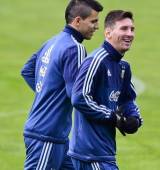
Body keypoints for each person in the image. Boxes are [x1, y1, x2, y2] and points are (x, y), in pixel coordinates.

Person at [20, 0, 103, 169]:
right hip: (47, 136)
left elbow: (27, 70)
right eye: (93, 21)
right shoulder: (75, 48)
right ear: (78, 21)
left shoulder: (52, 41)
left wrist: (47, 92)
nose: (97, 27)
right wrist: (107, 115)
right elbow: (77, 95)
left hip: (54, 136)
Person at [68, 10, 143, 170]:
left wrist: (134, 118)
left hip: (103, 152)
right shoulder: (96, 61)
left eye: (132, 29)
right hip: (90, 154)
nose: (129, 34)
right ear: (108, 33)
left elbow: (127, 99)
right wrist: (113, 117)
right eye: (123, 29)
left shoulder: (123, 67)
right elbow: (80, 98)